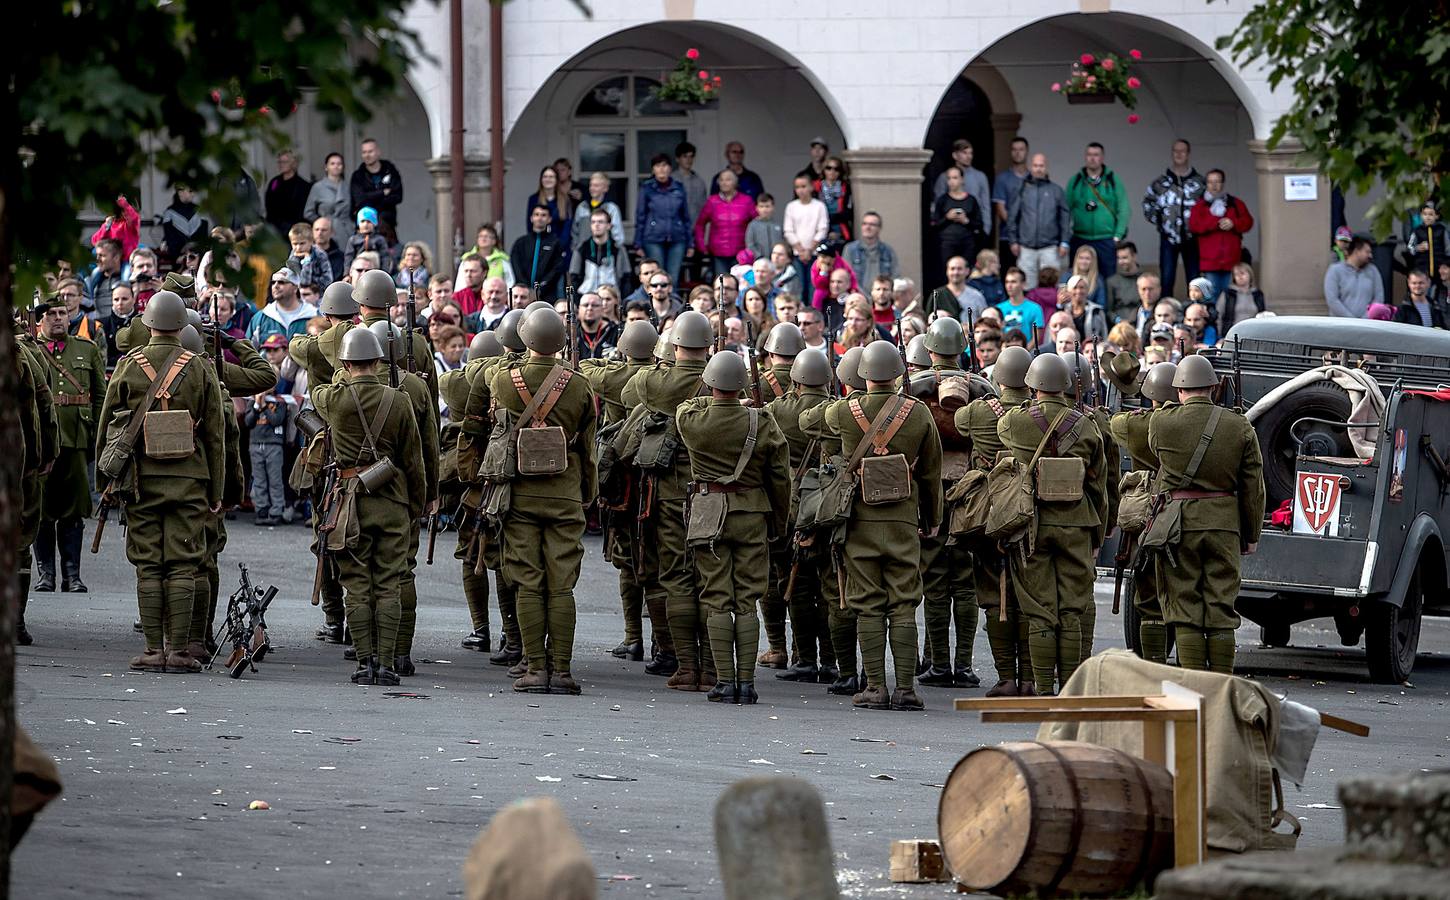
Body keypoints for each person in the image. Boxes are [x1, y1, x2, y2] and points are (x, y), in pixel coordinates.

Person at [96, 291, 226, 673]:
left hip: (141, 480)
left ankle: (154, 650)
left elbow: (106, 424)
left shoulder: (128, 364)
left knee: (149, 564)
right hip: (191, 480)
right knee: (185, 563)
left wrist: (106, 474)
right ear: (183, 325)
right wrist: (216, 491)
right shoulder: (201, 368)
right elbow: (216, 434)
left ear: (149, 323)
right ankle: (181, 651)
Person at [825, 342, 943, 710]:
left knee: (867, 604)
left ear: (861, 374)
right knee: (904, 603)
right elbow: (931, 473)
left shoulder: (843, 412)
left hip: (860, 521)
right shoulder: (920, 414)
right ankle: (905, 689)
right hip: (903, 520)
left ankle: (875, 687)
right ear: (898, 373)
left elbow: (806, 422)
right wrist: (932, 518)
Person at [309, 328, 426, 685]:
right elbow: (414, 460)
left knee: (357, 586)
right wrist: (415, 504)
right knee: (389, 583)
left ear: (345, 363)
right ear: (378, 361)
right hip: (393, 501)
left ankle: (364, 663)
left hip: (349, 504)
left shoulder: (334, 399)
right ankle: (387, 664)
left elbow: (316, 387)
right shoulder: (400, 400)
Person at [677, 352, 792, 704]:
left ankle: (725, 681)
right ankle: (746, 682)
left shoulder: (692, 419)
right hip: (752, 514)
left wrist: (721, 395)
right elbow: (780, 478)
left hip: (708, 513)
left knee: (716, 596)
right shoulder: (763, 422)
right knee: (746, 599)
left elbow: (688, 403)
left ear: (711, 384)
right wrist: (779, 519)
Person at [997, 353, 1107, 695]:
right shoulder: (1088, 425)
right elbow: (1098, 486)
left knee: (1040, 609)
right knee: (1072, 607)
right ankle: (1070, 689)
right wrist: (1097, 534)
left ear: (1032, 384)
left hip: (1034, 524)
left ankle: (1043, 690)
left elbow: (1001, 431)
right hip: (1077, 524)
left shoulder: (1015, 422)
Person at [1147, 355, 1264, 672]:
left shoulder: (1162, 422)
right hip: (1224, 524)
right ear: (1214, 387)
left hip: (1178, 524)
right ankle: (1221, 684)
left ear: (1179, 391)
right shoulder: (1239, 426)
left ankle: (1193, 685)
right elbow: (1253, 485)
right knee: (1220, 603)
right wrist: (1251, 534)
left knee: (1184, 603)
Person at [953, 346, 1034, 694]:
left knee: (993, 594)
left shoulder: (978, 413)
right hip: (1030, 512)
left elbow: (956, 420)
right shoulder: (1038, 415)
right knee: (1031, 596)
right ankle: (1031, 678)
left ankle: (1007, 678)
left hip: (989, 514)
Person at [913, 318, 979, 690]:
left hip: (932, 492)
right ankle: (963, 665)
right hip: (970, 491)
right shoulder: (982, 387)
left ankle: (939, 663)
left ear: (930, 350)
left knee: (936, 581)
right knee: (966, 582)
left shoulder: (919, 390)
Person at [30, 296, 105, 594]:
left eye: (63, 312)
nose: (59, 318)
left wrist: (98, 438)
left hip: (76, 440)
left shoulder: (86, 349)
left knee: (74, 510)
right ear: (40, 320)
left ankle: (72, 575)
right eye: (52, 314)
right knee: (42, 508)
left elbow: (100, 395)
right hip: (42, 443)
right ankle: (45, 573)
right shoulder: (31, 351)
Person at [1142, 139, 1206, 296]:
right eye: (1176, 151)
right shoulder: (1160, 182)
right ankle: (1166, 310)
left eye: (1182, 151)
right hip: (1168, 237)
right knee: (1167, 277)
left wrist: (1200, 226)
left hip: (1192, 238)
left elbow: (1207, 207)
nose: (1179, 154)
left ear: (1188, 154)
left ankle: (1194, 311)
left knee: (1194, 278)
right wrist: (1160, 222)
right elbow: (1147, 203)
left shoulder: (1199, 182)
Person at [1187, 168, 1254, 316]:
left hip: (1231, 261)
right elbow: (1194, 226)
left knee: (1231, 298)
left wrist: (1233, 223)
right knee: (1212, 298)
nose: (1214, 185)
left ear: (1223, 183)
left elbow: (1248, 222)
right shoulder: (1200, 206)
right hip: (1210, 262)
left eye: (1217, 182)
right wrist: (1216, 221)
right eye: (1211, 182)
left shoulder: (1235, 203)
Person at [1005, 151, 1072, 294]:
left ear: (1046, 167)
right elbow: (1012, 217)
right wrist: (1013, 241)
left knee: (1051, 285)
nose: (1038, 169)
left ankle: (1051, 315)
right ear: (1031, 167)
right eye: (1035, 165)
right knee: (1026, 286)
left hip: (1050, 247)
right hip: (1026, 247)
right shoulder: (1022, 189)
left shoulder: (1056, 190)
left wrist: (1064, 242)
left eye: (1041, 165)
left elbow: (1064, 218)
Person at [1065, 142, 1130, 281]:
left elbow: (1124, 208)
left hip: (1106, 238)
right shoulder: (1076, 181)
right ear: (1085, 157)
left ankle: (1106, 303)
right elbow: (1065, 210)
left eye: (1096, 155)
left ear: (1102, 158)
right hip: (1080, 237)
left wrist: (1118, 235)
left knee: (1108, 278)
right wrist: (1066, 236)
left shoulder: (1113, 180)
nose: (1092, 158)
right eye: (1089, 155)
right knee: (1077, 278)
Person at [634, 154, 693, 286]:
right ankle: (653, 306)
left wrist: (690, 243)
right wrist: (638, 242)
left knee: (673, 278)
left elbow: (685, 217)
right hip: (653, 238)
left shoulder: (678, 188)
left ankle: (673, 305)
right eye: (658, 166)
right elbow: (640, 216)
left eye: (665, 165)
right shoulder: (647, 188)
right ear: (653, 169)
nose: (661, 169)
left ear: (670, 168)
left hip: (677, 238)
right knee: (656, 276)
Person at [243, 363, 290, 526]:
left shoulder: (280, 401)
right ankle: (261, 509)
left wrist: (264, 406)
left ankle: (276, 510)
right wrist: (257, 406)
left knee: (275, 479)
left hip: (273, 445)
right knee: (259, 479)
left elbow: (276, 420)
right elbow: (248, 422)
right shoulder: (253, 400)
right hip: (255, 444)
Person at [695, 169, 756, 278]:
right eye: (721, 180)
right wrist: (702, 246)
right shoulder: (712, 201)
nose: (724, 183)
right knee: (721, 284)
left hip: (741, 251)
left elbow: (757, 223)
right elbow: (700, 224)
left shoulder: (746, 201)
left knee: (740, 284)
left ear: (735, 183)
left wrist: (753, 247)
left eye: (728, 180)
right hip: (718, 252)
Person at [247, 267, 319, 346]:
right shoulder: (261, 317)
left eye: (281, 282)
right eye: (273, 282)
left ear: (295, 287)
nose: (276, 286)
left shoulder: (313, 315)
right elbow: (248, 350)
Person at [568, 208, 633, 294]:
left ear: (609, 225)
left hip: (611, 298)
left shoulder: (618, 248)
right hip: (587, 298)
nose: (596, 225)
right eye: (593, 222)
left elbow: (626, 277)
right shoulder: (581, 248)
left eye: (600, 222)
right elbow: (573, 277)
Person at [510, 205, 567, 301]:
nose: (539, 218)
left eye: (543, 215)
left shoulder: (555, 243)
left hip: (547, 295)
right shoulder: (521, 242)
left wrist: (540, 288)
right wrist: (527, 288)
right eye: (536, 215)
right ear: (531, 218)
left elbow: (557, 269)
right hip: (523, 295)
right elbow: (516, 265)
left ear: (549, 219)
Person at [931, 167, 984, 270]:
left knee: (966, 270)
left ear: (962, 180)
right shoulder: (942, 200)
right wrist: (947, 217)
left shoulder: (971, 200)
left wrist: (966, 220)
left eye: (955, 178)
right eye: (949, 178)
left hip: (967, 242)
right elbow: (934, 223)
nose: (951, 181)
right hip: (947, 243)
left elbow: (979, 224)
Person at [992, 136, 1031, 265]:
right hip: (1007, 237)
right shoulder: (1002, 178)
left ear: (1027, 151)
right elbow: (1000, 209)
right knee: (1008, 277)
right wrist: (1015, 228)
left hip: (1030, 238)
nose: (1018, 152)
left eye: (1021, 149)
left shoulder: (1033, 178)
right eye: (1014, 149)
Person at [1324, 236, 1383, 318]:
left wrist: (1366, 318)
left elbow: (1379, 298)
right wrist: (1351, 320)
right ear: (1356, 251)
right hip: (1341, 325)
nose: (1370, 256)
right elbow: (1332, 300)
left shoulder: (1373, 271)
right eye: (1367, 252)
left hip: (1367, 325)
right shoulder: (1335, 271)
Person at [349, 137, 403, 227]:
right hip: (364, 225)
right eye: (364, 152)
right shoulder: (358, 176)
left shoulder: (391, 171)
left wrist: (370, 198)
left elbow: (398, 196)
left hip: (387, 224)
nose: (367, 155)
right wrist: (382, 193)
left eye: (370, 151)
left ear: (378, 152)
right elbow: (359, 200)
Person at [932, 139, 991, 217]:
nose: (969, 156)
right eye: (964, 153)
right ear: (955, 155)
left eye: (970, 153)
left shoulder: (980, 177)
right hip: (950, 224)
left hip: (974, 223)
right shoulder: (944, 177)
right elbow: (938, 203)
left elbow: (985, 205)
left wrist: (986, 227)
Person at [571, 172, 625, 251]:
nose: (592, 188)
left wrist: (614, 251)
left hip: (606, 252)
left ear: (605, 188)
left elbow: (618, 235)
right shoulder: (582, 207)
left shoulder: (612, 209)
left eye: (596, 186)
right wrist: (576, 249)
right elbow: (575, 231)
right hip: (584, 252)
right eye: (591, 185)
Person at [305, 152, 353, 244]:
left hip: (346, 231)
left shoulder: (347, 187)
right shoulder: (318, 187)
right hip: (325, 232)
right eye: (332, 164)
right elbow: (308, 212)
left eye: (339, 164)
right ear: (326, 167)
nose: (336, 166)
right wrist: (322, 224)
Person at [843, 210, 898, 287]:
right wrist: (864, 297)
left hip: (882, 296)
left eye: (872, 224)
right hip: (858, 296)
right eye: (864, 224)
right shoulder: (850, 249)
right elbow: (847, 278)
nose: (867, 227)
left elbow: (895, 278)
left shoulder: (888, 251)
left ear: (879, 228)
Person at [925, 256, 987, 323]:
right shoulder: (937, 295)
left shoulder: (977, 296)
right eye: (952, 269)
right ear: (947, 271)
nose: (956, 272)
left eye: (959, 269)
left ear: (967, 271)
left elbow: (983, 321)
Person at [784, 175, 829, 265]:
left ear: (811, 187)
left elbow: (823, 229)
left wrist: (810, 249)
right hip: (797, 253)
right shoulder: (791, 206)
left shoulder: (819, 206)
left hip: (816, 252)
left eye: (803, 186)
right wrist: (800, 249)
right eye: (797, 187)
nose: (800, 190)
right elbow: (788, 230)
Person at [265, 150, 312, 236]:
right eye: (279, 162)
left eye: (285, 162)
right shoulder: (275, 182)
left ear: (293, 163)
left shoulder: (303, 186)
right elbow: (269, 202)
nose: (281, 164)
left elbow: (302, 211)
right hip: (275, 228)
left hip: (293, 229)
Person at [159, 185, 208, 264]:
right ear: (180, 192)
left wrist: (200, 253)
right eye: (190, 191)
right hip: (178, 257)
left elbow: (204, 236)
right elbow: (170, 238)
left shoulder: (200, 211)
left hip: (198, 256)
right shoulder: (169, 213)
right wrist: (178, 256)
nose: (193, 194)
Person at [996, 266, 1047, 338]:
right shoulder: (998, 308)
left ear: (1023, 284)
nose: (1009, 286)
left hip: (1027, 349)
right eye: (1007, 282)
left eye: (1013, 282)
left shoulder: (1035, 308)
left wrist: (1024, 349)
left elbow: (1037, 338)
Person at [459, 223, 515, 287]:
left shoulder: (501, 260)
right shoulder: (467, 259)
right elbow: (460, 282)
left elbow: (510, 282)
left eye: (486, 236)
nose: (483, 239)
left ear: (494, 241)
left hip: (495, 295)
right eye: (480, 236)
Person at [814, 156, 853, 243]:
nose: (832, 171)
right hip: (820, 231)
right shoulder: (815, 187)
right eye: (829, 168)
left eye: (836, 169)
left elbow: (849, 212)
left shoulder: (846, 188)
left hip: (841, 231)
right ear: (824, 169)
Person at [1219, 262, 1265, 335]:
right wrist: (1220, 335)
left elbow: (1264, 315)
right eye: (1236, 274)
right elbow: (1219, 315)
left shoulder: (1258, 294)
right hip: (1232, 333)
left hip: (1254, 333)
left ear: (1250, 275)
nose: (1239, 277)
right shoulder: (1228, 293)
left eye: (1242, 273)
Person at [287, 223, 335, 292]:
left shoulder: (320, 255)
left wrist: (307, 261)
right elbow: (298, 281)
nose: (298, 248)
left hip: (318, 294)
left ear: (311, 242)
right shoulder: (293, 256)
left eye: (302, 243)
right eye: (295, 244)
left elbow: (328, 280)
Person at [1105, 242, 1143, 325]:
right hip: (1119, 326)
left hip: (1141, 322)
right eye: (1119, 258)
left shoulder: (1145, 279)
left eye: (1125, 258)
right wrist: (1119, 321)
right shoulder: (1112, 281)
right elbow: (1109, 310)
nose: (1121, 262)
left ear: (1134, 256)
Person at [345, 206, 392, 273]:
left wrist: (384, 273)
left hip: (375, 271)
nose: (365, 224)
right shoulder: (353, 240)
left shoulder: (380, 239)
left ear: (374, 224)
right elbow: (349, 257)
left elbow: (385, 257)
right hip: (358, 271)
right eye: (362, 221)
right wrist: (347, 273)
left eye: (369, 222)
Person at [1408, 202, 1447, 280]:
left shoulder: (1441, 230)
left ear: (1437, 216)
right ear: (1421, 216)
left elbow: (1448, 247)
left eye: (1431, 214)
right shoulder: (1417, 231)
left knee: (1440, 288)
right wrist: (1417, 248)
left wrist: (1446, 263)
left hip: (1439, 267)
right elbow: (1410, 247)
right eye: (1425, 214)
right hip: (1422, 268)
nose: (1427, 217)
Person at [743, 192, 785, 265]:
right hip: (759, 261)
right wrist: (759, 256)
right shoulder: (753, 225)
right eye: (761, 206)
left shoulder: (778, 224)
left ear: (773, 207)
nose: (764, 209)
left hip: (777, 261)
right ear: (757, 208)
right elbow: (750, 244)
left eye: (767, 206)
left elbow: (783, 241)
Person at [673, 141, 708, 222]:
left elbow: (703, 208)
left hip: (694, 229)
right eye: (685, 156)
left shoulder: (699, 182)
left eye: (691, 156)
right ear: (677, 159)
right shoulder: (671, 180)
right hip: (675, 229)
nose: (689, 160)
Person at [311, 217, 346, 287]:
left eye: (324, 230)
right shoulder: (303, 254)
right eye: (317, 229)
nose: (319, 233)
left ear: (332, 232)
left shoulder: (341, 257)